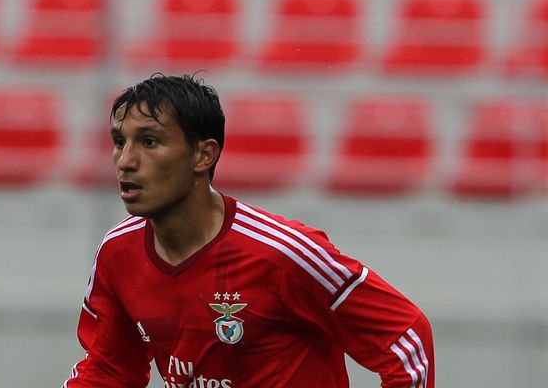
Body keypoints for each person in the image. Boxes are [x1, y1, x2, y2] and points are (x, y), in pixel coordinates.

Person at [63, 74, 434, 388]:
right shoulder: (118, 253)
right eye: (119, 142)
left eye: (149, 142)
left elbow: (406, 337)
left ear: (203, 155)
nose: (125, 161)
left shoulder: (283, 254)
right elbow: (109, 369)